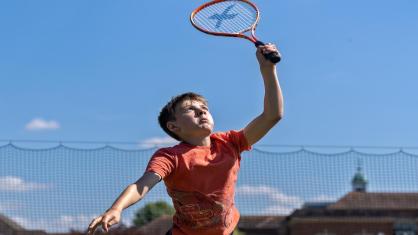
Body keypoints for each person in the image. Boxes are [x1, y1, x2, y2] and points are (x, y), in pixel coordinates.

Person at [87, 44, 283, 235]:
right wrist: (116, 208)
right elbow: (141, 185)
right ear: (173, 126)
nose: (201, 110)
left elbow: (272, 115)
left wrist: (268, 68)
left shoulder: (230, 142)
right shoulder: (170, 157)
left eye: (204, 108)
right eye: (190, 109)